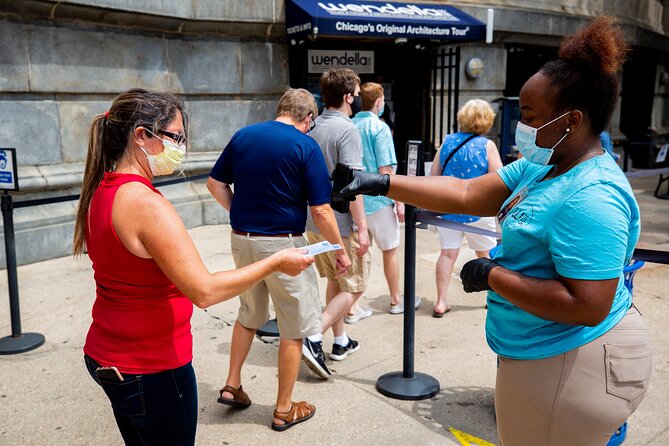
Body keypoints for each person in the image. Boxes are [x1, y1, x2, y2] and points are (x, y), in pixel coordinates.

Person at [339, 17, 650, 445]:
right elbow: (466, 192)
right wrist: (380, 181)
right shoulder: (544, 167)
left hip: (573, 358)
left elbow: (587, 304)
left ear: (570, 121)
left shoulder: (591, 195)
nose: (520, 125)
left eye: (529, 115)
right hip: (543, 350)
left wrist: (492, 275)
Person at [73, 89, 315, 444]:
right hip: (151, 366)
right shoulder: (145, 204)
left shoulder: (102, 189)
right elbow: (205, 290)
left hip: (108, 354)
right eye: (176, 137)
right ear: (142, 136)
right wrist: (276, 260)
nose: (182, 148)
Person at [207, 88, 351, 431]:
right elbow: (320, 210)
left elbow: (215, 184)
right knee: (294, 327)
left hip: (242, 240)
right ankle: (284, 408)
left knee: (248, 314)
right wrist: (338, 249)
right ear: (307, 118)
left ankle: (232, 385)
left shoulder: (243, 136)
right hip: (284, 246)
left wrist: (239, 214)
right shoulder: (305, 145)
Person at [304, 68, 371, 374]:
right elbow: (353, 185)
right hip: (342, 222)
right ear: (347, 97)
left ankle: (340, 340)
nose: (357, 99)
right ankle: (314, 336)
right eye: (356, 95)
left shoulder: (313, 126)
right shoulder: (347, 130)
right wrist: (363, 228)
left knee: (336, 280)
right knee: (353, 286)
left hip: (314, 221)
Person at [428, 99, 502, 317]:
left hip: (449, 209)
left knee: (447, 255)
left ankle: (441, 302)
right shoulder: (487, 146)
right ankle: (493, 298)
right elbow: (499, 179)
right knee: (487, 256)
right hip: (478, 211)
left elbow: (434, 175)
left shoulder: (447, 142)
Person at [351, 81, 410, 317]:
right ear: (378, 102)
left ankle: (353, 305)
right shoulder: (380, 128)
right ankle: (396, 300)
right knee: (390, 251)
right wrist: (399, 201)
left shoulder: (350, 125)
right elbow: (386, 170)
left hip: (355, 202)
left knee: (359, 255)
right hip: (379, 201)